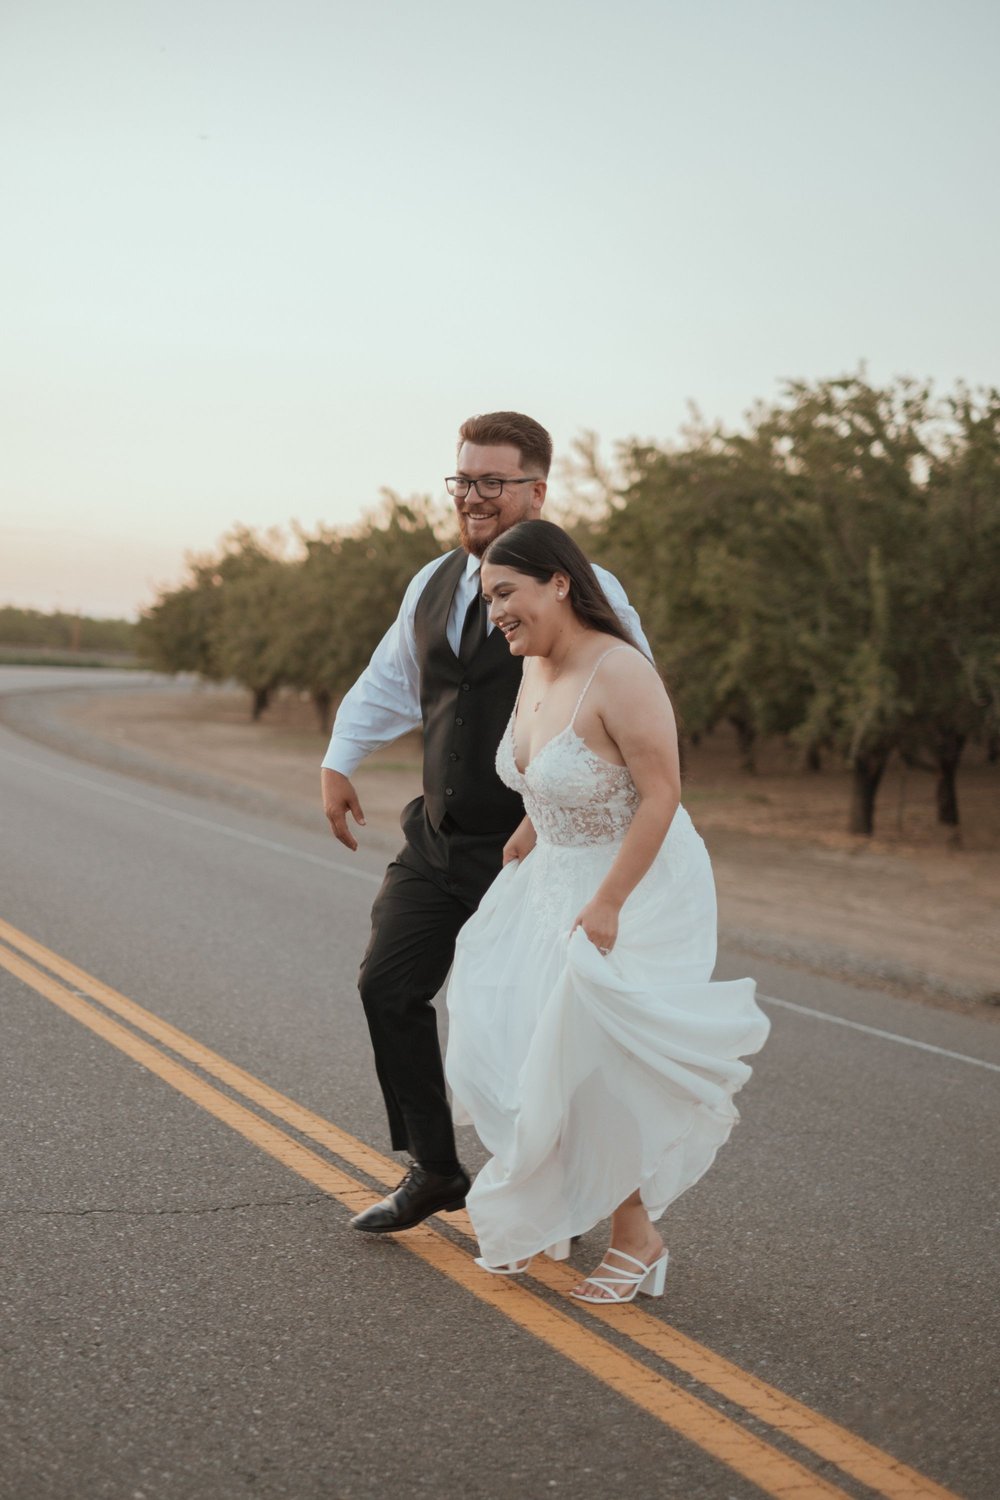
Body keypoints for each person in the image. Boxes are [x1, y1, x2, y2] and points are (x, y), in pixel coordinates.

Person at [321, 412, 649, 1235]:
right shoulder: (431, 583)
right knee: (386, 985)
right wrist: (338, 759)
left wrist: (594, 847)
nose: (473, 496)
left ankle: (567, 1192)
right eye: (464, 479)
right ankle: (434, 1168)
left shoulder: (590, 589)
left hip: (535, 852)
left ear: (537, 492)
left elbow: (635, 706)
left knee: (536, 1032)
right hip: (437, 836)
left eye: (493, 481)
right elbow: (390, 680)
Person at [444, 519, 770, 1302]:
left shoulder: (620, 672)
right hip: (550, 879)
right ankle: (557, 1206)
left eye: (507, 593)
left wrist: (610, 902)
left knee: (594, 1068)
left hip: (629, 885)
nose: (497, 613)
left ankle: (637, 1239)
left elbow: (660, 795)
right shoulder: (535, 664)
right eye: (488, 600)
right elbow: (550, 768)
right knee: (526, 1049)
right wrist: (532, 827)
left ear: (559, 582)